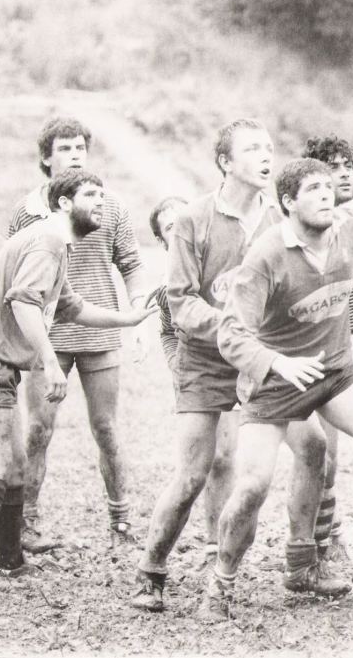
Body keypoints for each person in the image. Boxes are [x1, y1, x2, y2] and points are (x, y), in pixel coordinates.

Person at [202, 157, 353, 621]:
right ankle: (220, 584)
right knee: (252, 485)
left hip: (334, 372)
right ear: (288, 202)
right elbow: (231, 334)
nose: (325, 195)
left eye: (328, 188)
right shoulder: (266, 255)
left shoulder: (348, 230)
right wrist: (277, 362)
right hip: (275, 382)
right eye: (312, 189)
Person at [0, 170, 154, 589]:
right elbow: (24, 303)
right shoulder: (47, 240)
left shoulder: (55, 244)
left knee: (16, 466)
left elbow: (72, 307)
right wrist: (50, 362)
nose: (101, 202)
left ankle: (12, 565)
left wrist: (127, 319)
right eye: (91, 194)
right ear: (64, 203)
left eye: (103, 195)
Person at [131, 118, 281, 612]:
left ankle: (227, 574)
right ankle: (151, 570)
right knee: (193, 473)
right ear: (225, 162)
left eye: (269, 147)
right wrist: (231, 329)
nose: (266, 156)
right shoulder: (193, 220)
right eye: (252, 149)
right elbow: (180, 301)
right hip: (203, 358)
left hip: (258, 361)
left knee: (252, 473)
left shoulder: (280, 219)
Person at [10, 117, 149, 552]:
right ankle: (26, 521)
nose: (75, 155)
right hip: (47, 336)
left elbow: (132, 264)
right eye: (65, 148)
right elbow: (15, 277)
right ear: (46, 158)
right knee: (39, 429)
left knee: (106, 427)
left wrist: (138, 312)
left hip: (100, 334)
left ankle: (121, 520)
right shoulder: (28, 212)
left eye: (80, 148)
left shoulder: (110, 206)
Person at [142, 197, 234, 572]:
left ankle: (216, 549)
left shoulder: (221, 259)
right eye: (170, 227)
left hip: (236, 365)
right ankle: (152, 565)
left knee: (225, 459)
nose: (181, 228)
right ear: (162, 240)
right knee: (193, 471)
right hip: (197, 371)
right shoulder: (168, 285)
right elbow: (167, 331)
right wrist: (174, 364)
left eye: (185, 219)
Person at [299, 135, 353, 563]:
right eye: (332, 166)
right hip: (320, 344)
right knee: (323, 452)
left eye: (348, 165)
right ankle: (321, 542)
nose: (344, 173)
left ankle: (344, 538)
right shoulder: (314, 223)